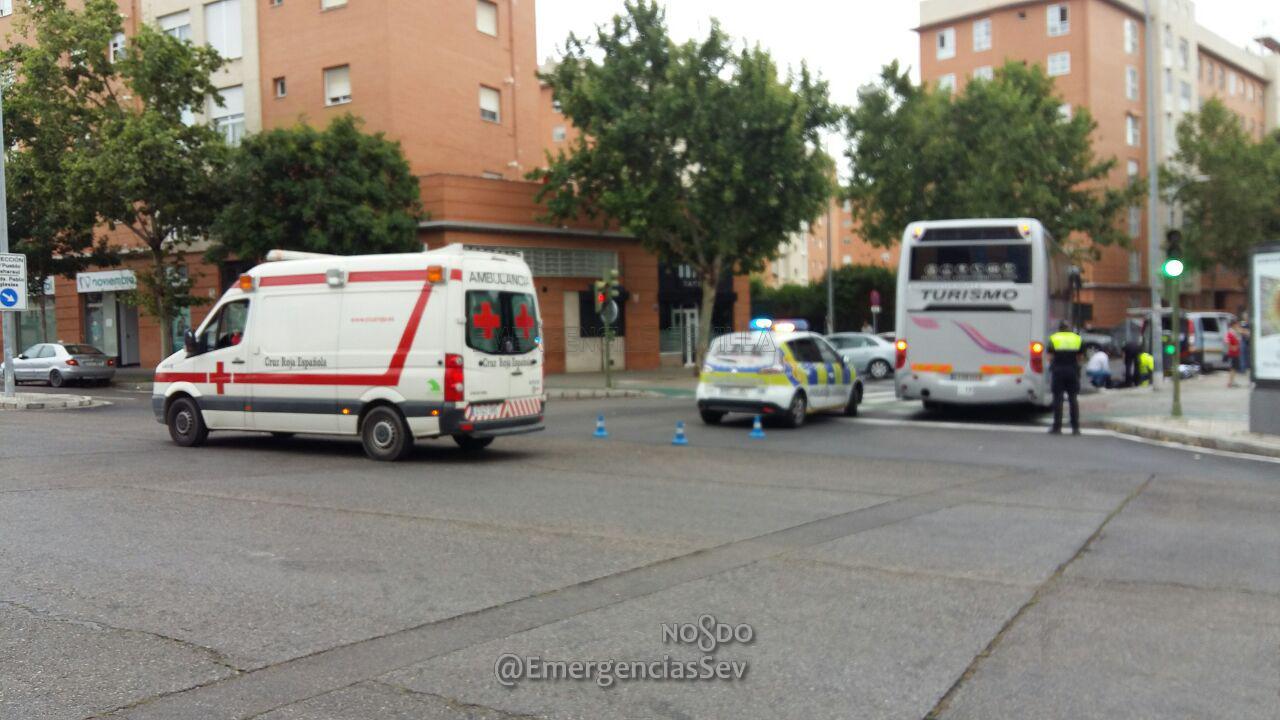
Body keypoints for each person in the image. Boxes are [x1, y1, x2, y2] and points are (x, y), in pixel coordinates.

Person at [1046, 321, 1084, 435]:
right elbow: (1080, 357)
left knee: (1058, 399)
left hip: (1058, 371)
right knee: (1073, 399)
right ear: (1069, 328)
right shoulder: (1077, 338)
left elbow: (1049, 357)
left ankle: (1057, 427)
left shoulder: (1054, 338)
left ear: (1059, 328)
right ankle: (1075, 428)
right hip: (1072, 370)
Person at [1225, 320, 1243, 388]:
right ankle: (1230, 382)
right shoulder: (1230, 332)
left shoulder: (1235, 332)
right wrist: (1232, 347)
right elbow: (1227, 342)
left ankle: (1232, 381)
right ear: (1233, 325)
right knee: (1232, 368)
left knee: (1234, 368)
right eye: (1236, 324)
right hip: (1232, 353)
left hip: (1236, 352)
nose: (1237, 326)